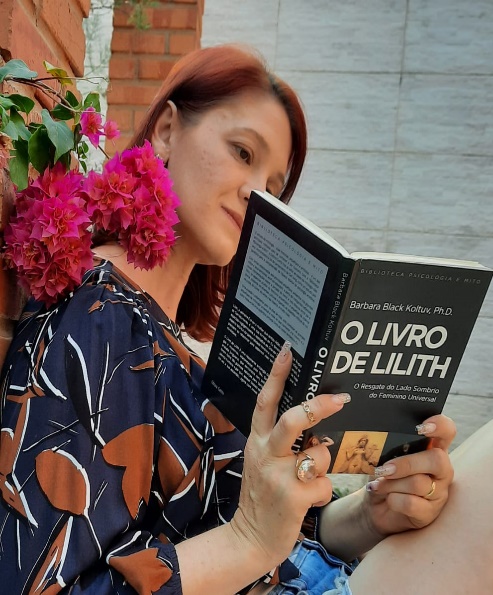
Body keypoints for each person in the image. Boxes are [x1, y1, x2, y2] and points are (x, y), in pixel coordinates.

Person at [0, 44, 491, 595]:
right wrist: (249, 540)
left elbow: (267, 538)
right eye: (242, 152)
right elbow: (42, 583)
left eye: (275, 188)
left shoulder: (179, 342)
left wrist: (371, 514)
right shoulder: (101, 315)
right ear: (167, 130)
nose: (256, 193)